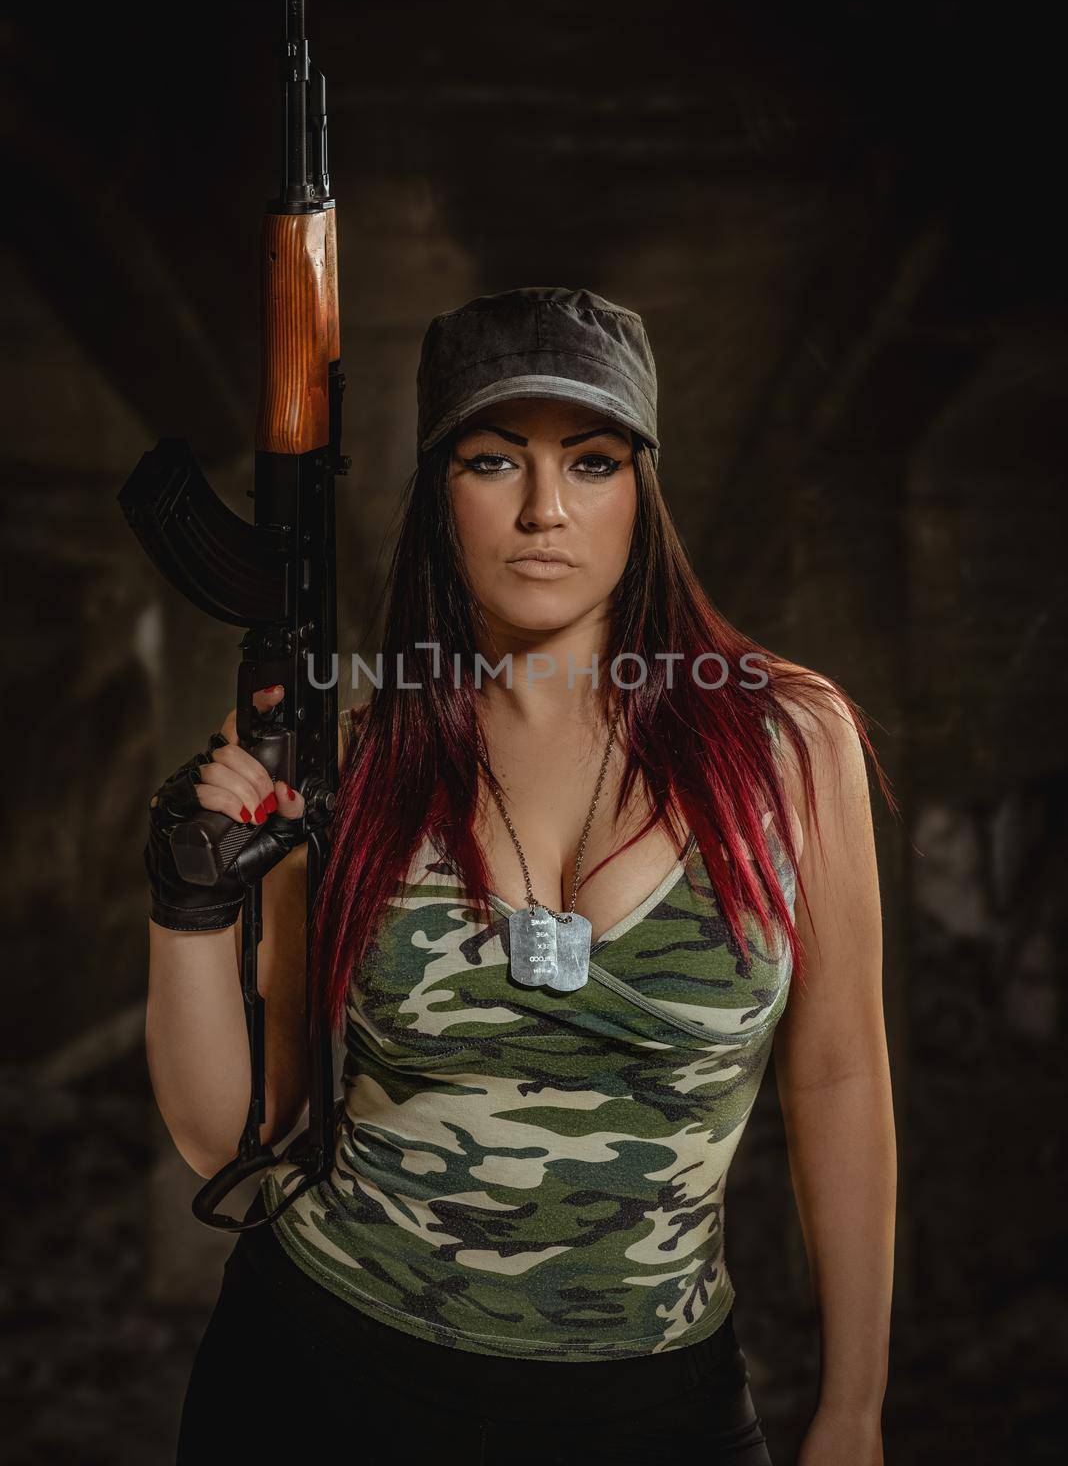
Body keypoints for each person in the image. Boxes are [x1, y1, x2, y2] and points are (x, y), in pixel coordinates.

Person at [145, 287, 897, 1464]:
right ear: (440, 491)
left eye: (591, 462)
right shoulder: (356, 758)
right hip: (326, 1379)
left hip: (657, 1411)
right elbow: (232, 1133)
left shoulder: (790, 746)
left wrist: (856, 1405)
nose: (545, 509)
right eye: (495, 461)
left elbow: (841, 1074)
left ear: (643, 492)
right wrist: (190, 897)